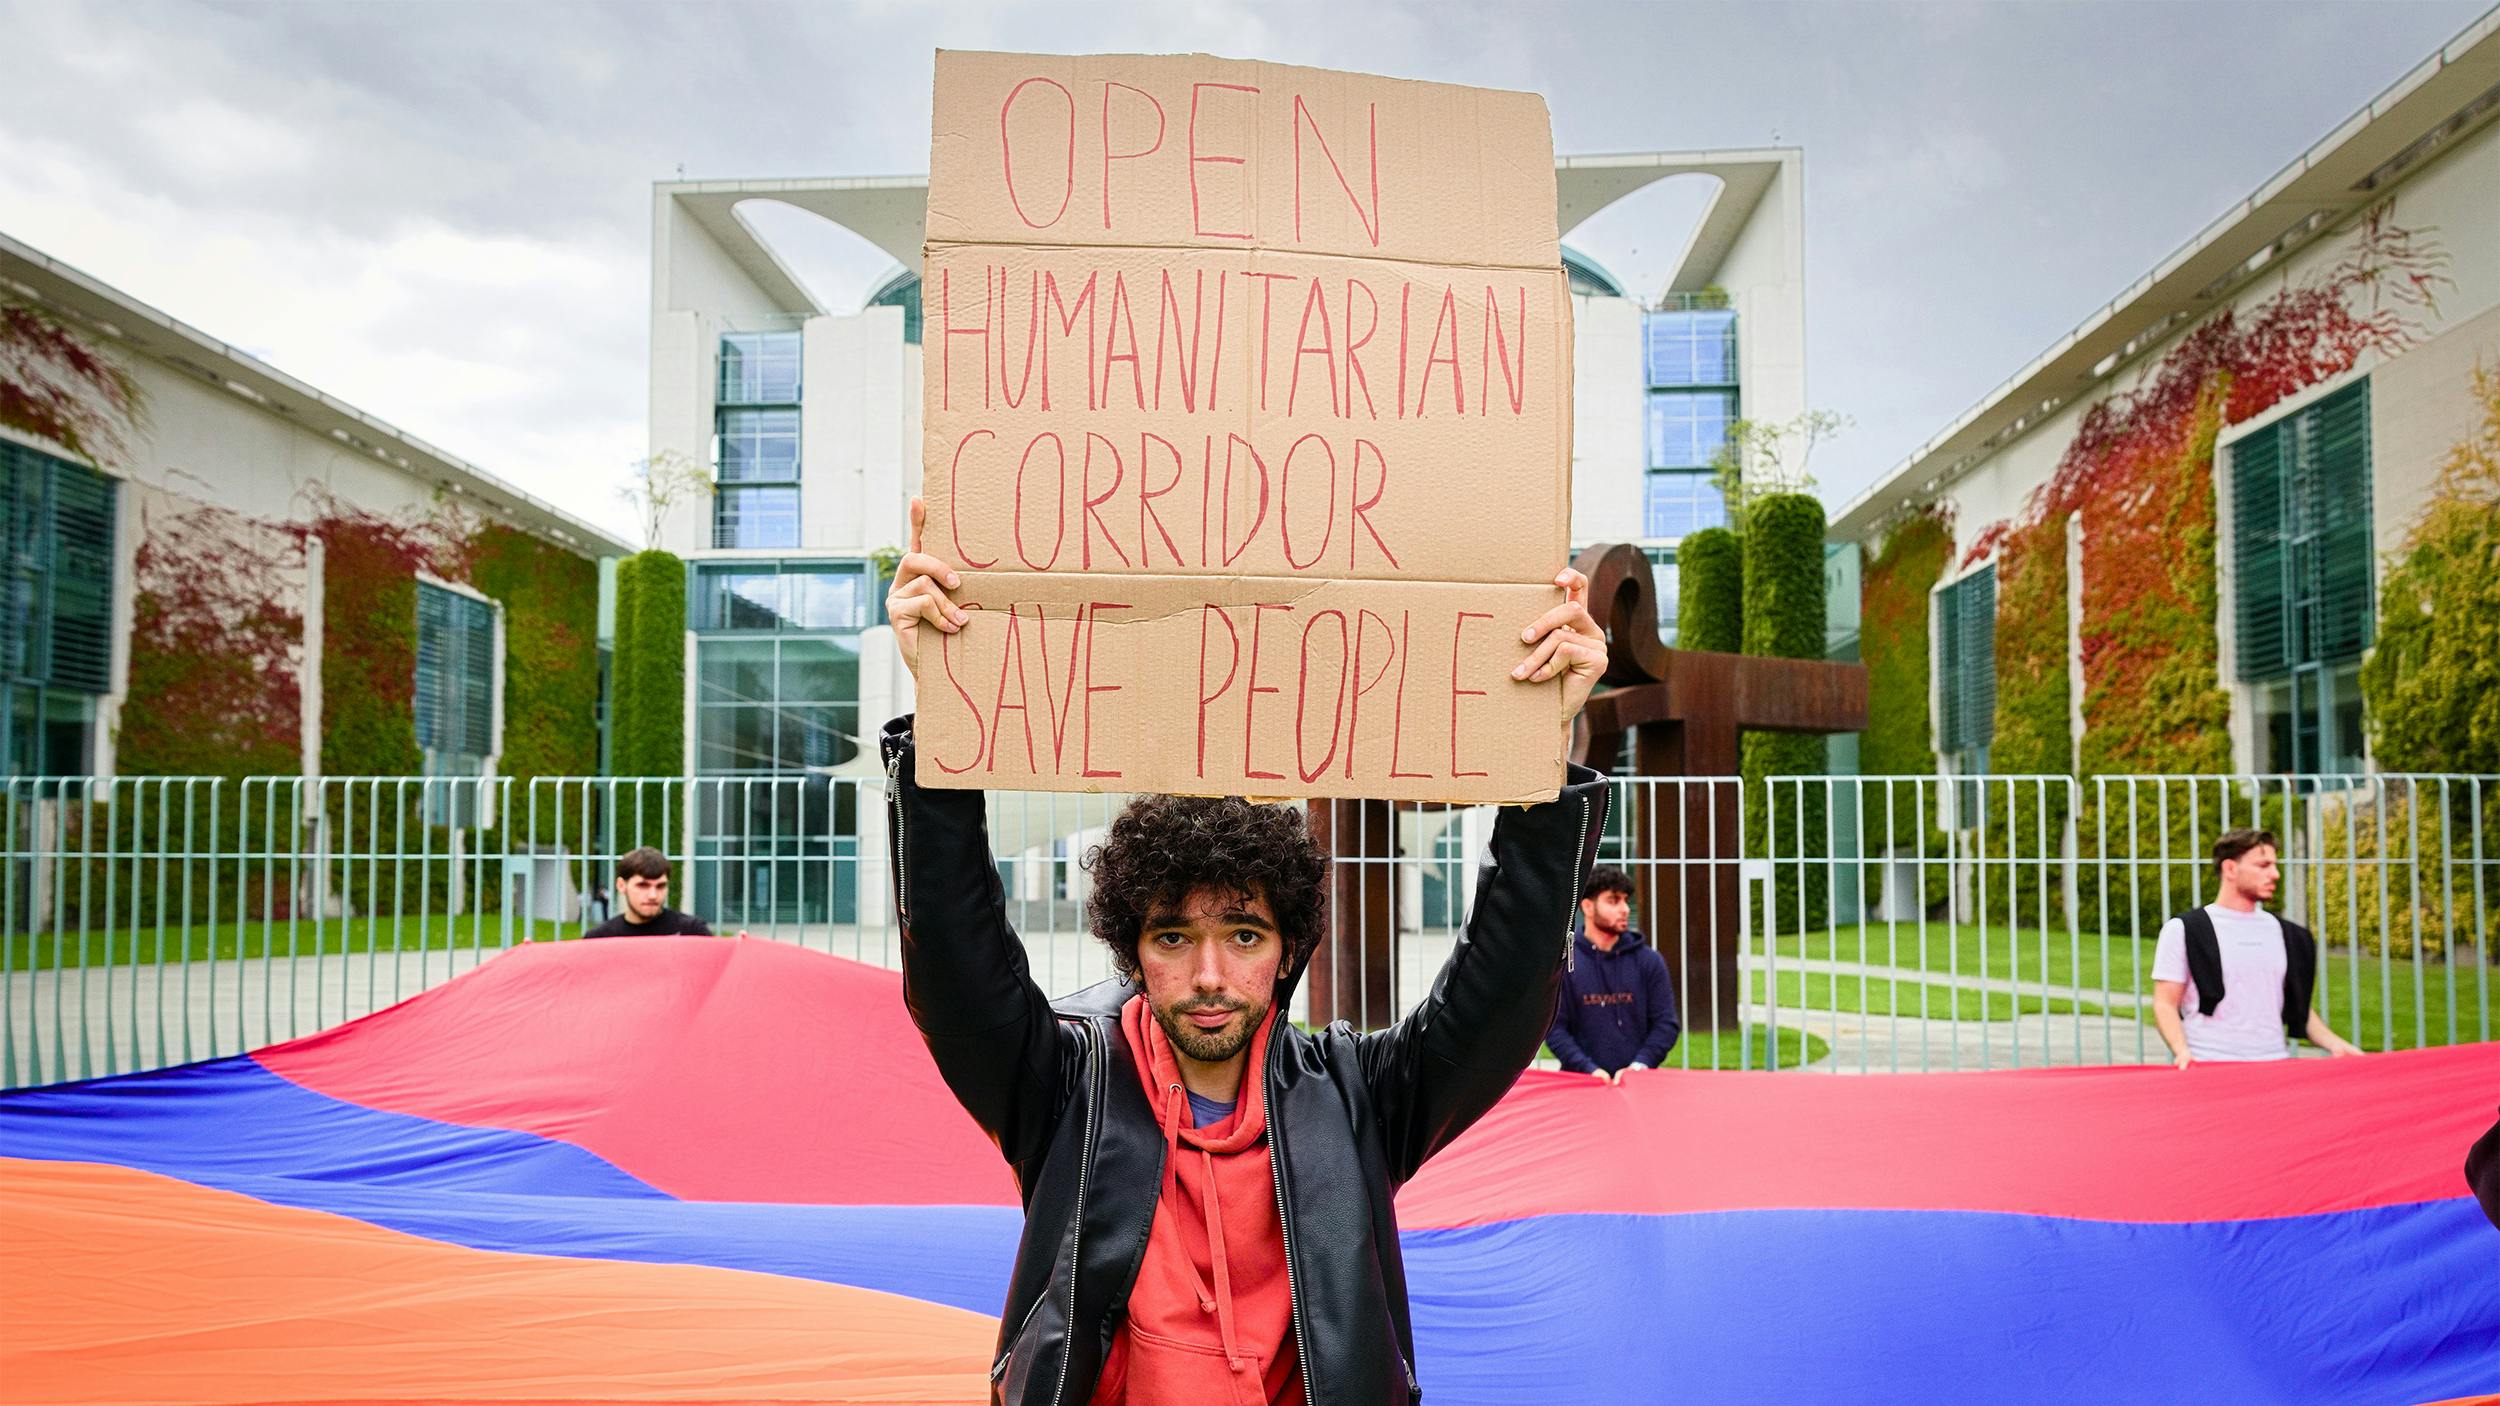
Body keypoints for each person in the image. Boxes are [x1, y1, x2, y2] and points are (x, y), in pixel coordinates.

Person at [882, 498, 1609, 1405]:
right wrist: (942, 711)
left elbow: (1500, 992)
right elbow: (955, 957)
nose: (1212, 976)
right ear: (1129, 948)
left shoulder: (1362, 1099)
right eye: (1173, 937)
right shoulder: (1062, 1089)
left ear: (1290, 944)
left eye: (1245, 934)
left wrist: (1543, 744)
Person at [2151, 827, 2364, 1068]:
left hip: (2274, 1065)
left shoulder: (2290, 935)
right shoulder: (2185, 929)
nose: (2275, 874)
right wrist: (2182, 1051)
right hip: (2209, 1064)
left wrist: (2336, 1044)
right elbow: (2165, 1002)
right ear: (2230, 868)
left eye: (2275, 865)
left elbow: (2297, 1007)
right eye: (2263, 866)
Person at [1547, 865, 1681, 1082]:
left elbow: (1665, 1024)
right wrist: (1589, 1070)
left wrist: (1638, 1067)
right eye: (1613, 900)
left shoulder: (1648, 961)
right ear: (1588, 907)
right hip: (1580, 1085)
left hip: (1638, 1086)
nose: (1625, 909)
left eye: (1626, 900)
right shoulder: (1566, 964)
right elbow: (1554, 1029)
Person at [580, 847, 715, 938]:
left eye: (660, 886)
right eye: (643, 886)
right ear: (621, 886)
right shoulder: (600, 938)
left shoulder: (691, 931)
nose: (653, 895)